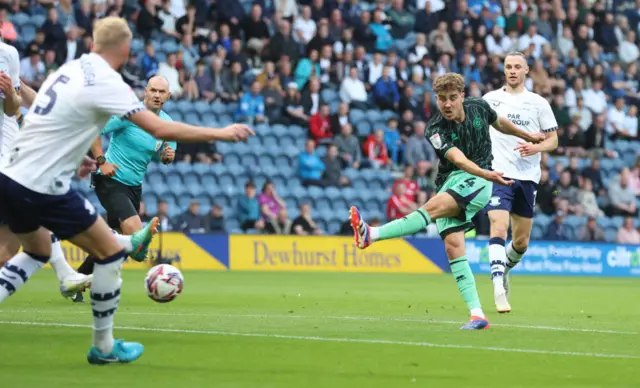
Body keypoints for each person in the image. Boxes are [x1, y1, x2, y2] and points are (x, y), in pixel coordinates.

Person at [0, 17, 253, 365]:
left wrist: (84, 158)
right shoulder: (109, 83)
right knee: (109, 252)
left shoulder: (70, 70)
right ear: (126, 50)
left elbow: (37, 101)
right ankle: (104, 346)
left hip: (12, 174)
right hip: (42, 184)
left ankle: (122, 248)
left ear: (92, 45)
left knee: (34, 251)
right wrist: (222, 133)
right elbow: (160, 127)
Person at [349, 73, 544, 330]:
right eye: (442, 99)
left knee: (430, 209)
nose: (448, 104)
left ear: (462, 96)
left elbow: (500, 124)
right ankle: (477, 315)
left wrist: (526, 135)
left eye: (453, 98)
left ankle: (371, 234)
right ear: (436, 100)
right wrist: (489, 174)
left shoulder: (479, 107)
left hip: (478, 179)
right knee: (453, 247)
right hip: (455, 179)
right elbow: (459, 159)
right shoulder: (435, 129)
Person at [70, 75, 177, 303]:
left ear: (168, 96)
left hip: (133, 189)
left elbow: (167, 153)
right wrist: (101, 161)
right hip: (110, 179)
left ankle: (76, 280)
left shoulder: (167, 123)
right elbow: (94, 128)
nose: (157, 95)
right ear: (145, 92)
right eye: (153, 90)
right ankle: (137, 252)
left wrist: (167, 156)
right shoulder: (131, 114)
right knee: (135, 238)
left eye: (162, 92)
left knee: (110, 246)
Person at [483, 52, 559, 314]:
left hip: (528, 178)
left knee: (521, 243)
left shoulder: (538, 103)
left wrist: (536, 146)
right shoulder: (490, 99)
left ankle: (504, 269)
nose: (512, 71)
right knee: (498, 225)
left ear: (527, 70)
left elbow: (553, 140)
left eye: (517, 67)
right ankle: (497, 287)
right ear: (503, 70)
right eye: (508, 67)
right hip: (498, 174)